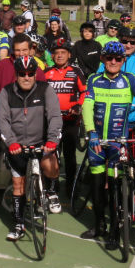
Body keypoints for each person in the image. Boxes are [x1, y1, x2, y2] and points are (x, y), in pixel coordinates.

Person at [81, 40, 135, 247]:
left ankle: (115, 230)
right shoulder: (94, 79)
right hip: (97, 141)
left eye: (118, 58)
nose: (113, 61)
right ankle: (99, 226)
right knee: (97, 188)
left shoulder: (130, 79)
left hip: (119, 142)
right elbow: (87, 106)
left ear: (123, 60)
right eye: (109, 58)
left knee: (116, 188)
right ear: (102, 59)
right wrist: (91, 131)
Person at [0, 56, 63, 240]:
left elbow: (55, 116)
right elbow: (2, 120)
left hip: (41, 143)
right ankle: (18, 224)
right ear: (16, 75)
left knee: (51, 165)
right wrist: (11, 142)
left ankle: (50, 190)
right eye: (22, 74)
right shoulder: (6, 92)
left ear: (35, 74)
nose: (26, 77)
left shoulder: (45, 90)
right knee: (18, 185)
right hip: (17, 145)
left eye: (30, 73)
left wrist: (51, 140)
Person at [43, 40, 86, 193]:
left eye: (63, 52)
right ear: (52, 55)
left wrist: (78, 106)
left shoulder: (76, 72)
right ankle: (50, 186)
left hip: (70, 121)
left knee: (69, 155)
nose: (60, 55)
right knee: (50, 153)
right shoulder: (46, 72)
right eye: (57, 53)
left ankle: (70, 186)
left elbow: (85, 92)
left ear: (69, 55)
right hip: (50, 121)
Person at [99, 28, 135, 137]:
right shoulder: (109, 61)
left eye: (133, 42)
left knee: (134, 152)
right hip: (109, 117)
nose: (128, 45)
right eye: (124, 41)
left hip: (134, 117)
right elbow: (99, 82)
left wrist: (132, 104)